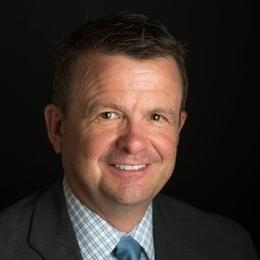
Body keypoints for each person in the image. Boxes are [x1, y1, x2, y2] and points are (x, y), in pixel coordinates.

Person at [0, 12, 258, 260]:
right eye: (108, 115)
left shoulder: (229, 245)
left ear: (178, 129)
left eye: (156, 117)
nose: (134, 143)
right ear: (57, 128)